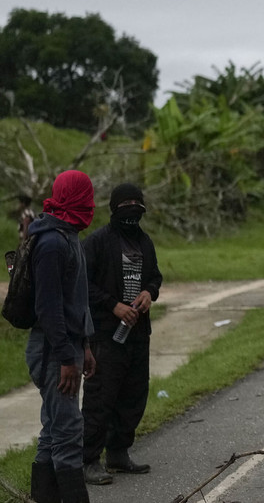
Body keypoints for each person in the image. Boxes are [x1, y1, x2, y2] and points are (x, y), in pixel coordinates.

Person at [80, 184, 162, 485]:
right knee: (101, 397)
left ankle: (118, 452)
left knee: (134, 395)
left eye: (136, 202)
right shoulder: (97, 242)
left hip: (138, 335)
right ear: (114, 208)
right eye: (126, 202)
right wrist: (112, 306)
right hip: (106, 335)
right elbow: (83, 285)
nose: (132, 207)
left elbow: (155, 276)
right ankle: (88, 460)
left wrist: (148, 292)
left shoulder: (144, 241)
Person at [26, 170, 97, 503]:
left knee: (53, 432)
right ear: (74, 197)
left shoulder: (69, 236)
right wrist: (67, 358)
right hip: (54, 352)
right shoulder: (53, 242)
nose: (91, 202)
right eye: (86, 195)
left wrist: (85, 345)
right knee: (68, 434)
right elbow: (48, 309)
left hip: (67, 347)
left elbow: (75, 302)